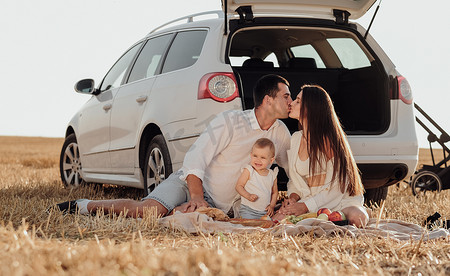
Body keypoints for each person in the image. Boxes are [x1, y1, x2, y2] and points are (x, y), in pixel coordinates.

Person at [56, 74, 292, 218]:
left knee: (192, 219)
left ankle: (177, 212)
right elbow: (195, 158)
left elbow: (294, 170)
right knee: (147, 212)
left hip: (226, 207)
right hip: (192, 184)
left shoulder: (280, 133)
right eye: (286, 96)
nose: (290, 102)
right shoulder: (230, 121)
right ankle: (83, 206)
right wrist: (197, 196)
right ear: (268, 100)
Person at [273, 84, 369, 227]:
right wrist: (292, 199)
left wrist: (305, 206)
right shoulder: (296, 138)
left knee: (357, 217)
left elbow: (337, 188)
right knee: (277, 220)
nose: (291, 103)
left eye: (298, 101)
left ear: (311, 108)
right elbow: (296, 180)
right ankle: (318, 220)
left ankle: (359, 211)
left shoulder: (329, 141)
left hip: (337, 202)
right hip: (309, 202)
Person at [235, 138, 279, 219]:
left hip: (264, 212)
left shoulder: (272, 175)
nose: (258, 160)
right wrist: (248, 195)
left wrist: (272, 206)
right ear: (251, 155)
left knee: (266, 227)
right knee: (248, 227)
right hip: (248, 210)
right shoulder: (249, 171)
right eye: (255, 156)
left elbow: (274, 192)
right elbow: (239, 186)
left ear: (271, 160)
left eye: (263, 157)